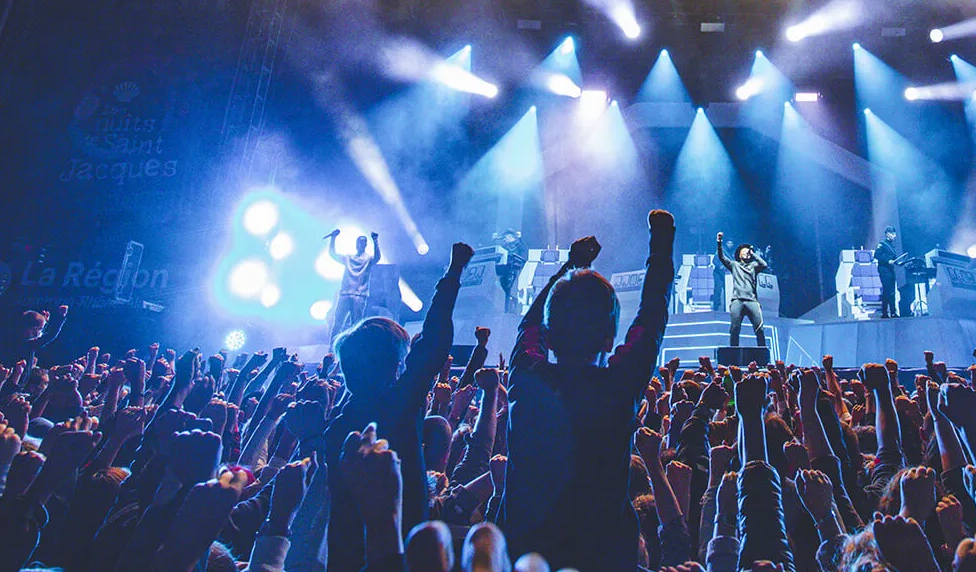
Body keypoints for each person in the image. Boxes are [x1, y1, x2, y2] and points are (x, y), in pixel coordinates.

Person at [501, 209, 675, 571]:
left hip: (526, 557)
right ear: (611, 338)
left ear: (549, 337)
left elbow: (529, 325)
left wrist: (571, 265)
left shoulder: (527, 380)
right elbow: (653, 313)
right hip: (604, 558)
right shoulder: (619, 386)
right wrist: (661, 243)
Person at [324, 241, 472, 572]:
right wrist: (454, 272)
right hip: (400, 555)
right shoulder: (395, 408)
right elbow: (434, 340)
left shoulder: (334, 429)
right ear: (395, 367)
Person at [715, 232, 771, 349]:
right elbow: (721, 257)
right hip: (737, 301)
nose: (746, 253)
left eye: (748, 252)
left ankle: (763, 357)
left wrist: (753, 254)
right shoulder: (734, 265)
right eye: (744, 251)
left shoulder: (754, 266)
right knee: (735, 329)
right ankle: (734, 356)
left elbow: (764, 264)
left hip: (752, 301)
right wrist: (719, 243)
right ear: (739, 254)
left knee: (759, 329)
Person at [326, 229, 381, 340]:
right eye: (358, 242)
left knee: (356, 324)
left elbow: (377, 257)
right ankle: (332, 348)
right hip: (345, 294)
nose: (359, 245)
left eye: (362, 242)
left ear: (365, 245)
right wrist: (333, 238)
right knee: (338, 322)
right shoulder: (348, 258)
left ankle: (354, 348)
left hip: (359, 295)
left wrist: (375, 241)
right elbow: (332, 254)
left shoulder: (368, 259)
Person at [874, 225, 903, 318]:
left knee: (892, 291)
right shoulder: (882, 244)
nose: (895, 236)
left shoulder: (892, 246)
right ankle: (885, 313)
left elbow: (894, 258)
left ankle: (893, 312)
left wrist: (899, 263)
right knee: (887, 291)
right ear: (887, 234)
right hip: (884, 270)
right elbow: (876, 255)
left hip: (890, 270)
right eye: (893, 234)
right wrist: (887, 261)